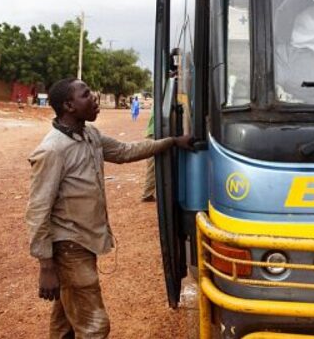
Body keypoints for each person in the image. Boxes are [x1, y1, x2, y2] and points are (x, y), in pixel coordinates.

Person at [25, 78, 193, 338]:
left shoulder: (90, 135)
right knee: (94, 326)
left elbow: (126, 151)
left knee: (66, 320)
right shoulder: (53, 150)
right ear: (69, 105)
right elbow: (38, 209)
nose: (93, 98)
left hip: (84, 243)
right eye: (86, 94)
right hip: (69, 246)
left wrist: (171, 142)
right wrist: (45, 266)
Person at [141, 107, 156, 202]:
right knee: (152, 166)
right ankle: (147, 194)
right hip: (155, 133)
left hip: (153, 132)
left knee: (152, 165)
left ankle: (148, 193)